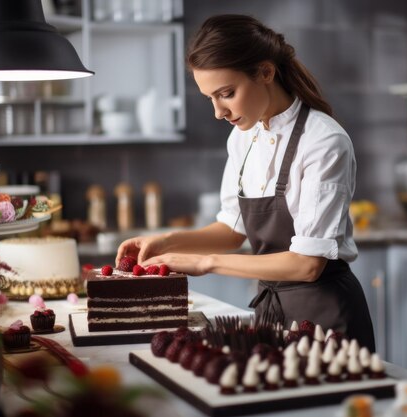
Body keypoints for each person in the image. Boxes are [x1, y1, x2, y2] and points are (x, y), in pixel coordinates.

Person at [116, 14, 375, 350]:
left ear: (265, 72)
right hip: (271, 316)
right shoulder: (243, 137)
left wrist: (204, 263)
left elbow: (308, 264)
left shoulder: (324, 142)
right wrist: (167, 242)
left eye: (226, 93)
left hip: (327, 318)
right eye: (210, 97)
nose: (218, 112)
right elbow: (232, 230)